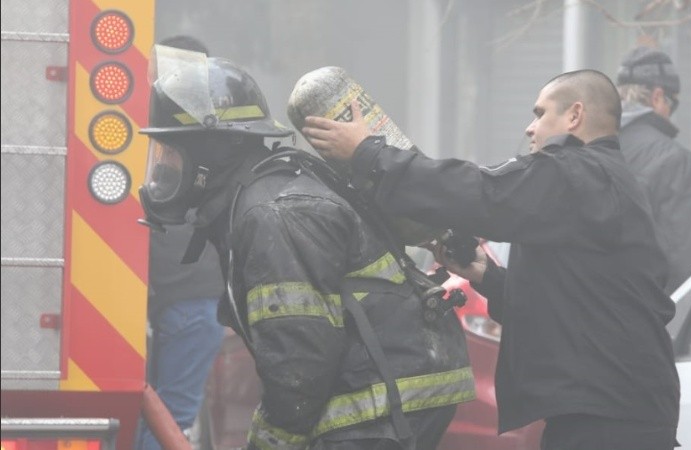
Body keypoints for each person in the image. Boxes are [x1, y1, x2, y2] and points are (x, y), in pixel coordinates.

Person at [302, 69, 681, 449]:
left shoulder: (578, 173)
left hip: (609, 420)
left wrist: (369, 153)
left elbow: (483, 192)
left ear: (575, 116)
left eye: (540, 113)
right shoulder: (602, 181)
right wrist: (487, 276)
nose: (530, 128)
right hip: (615, 408)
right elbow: (576, 304)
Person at [137, 49, 475, 450]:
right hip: (382, 394)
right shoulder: (260, 196)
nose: (163, 168)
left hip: (379, 403)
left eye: (172, 153)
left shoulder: (272, 212)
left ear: (211, 151)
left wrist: (268, 443)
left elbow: (299, 359)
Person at [135, 35, 225, 450]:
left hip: (169, 299)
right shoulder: (215, 131)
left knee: (152, 416)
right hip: (192, 300)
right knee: (169, 420)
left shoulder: (152, 130)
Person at [616, 46, 691, 293]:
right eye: (674, 103)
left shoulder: (587, 147)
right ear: (658, 97)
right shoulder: (674, 160)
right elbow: (689, 261)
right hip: (643, 320)